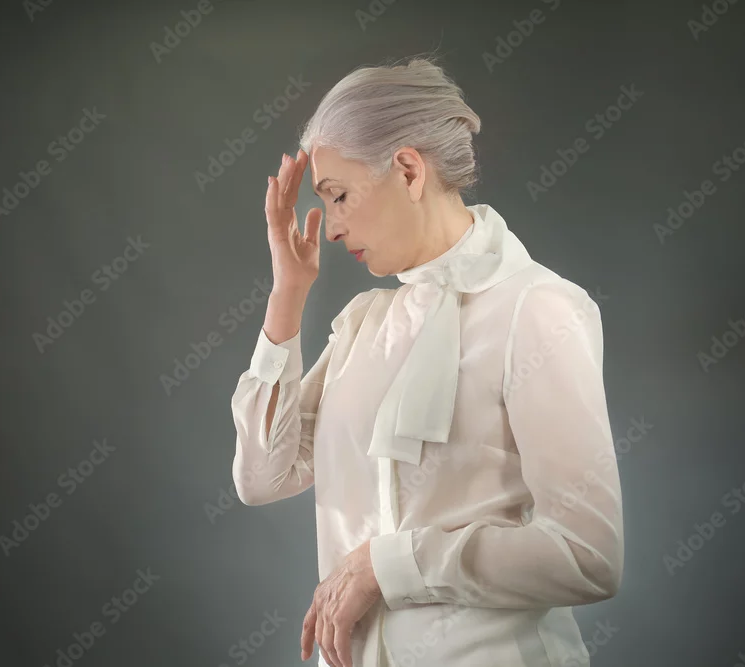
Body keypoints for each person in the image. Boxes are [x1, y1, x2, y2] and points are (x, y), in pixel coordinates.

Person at [229, 55, 624, 667]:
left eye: (338, 196)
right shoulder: (363, 325)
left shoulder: (537, 309)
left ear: (409, 171)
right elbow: (261, 478)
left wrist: (389, 565)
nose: (330, 229)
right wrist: (287, 294)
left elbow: (587, 556)